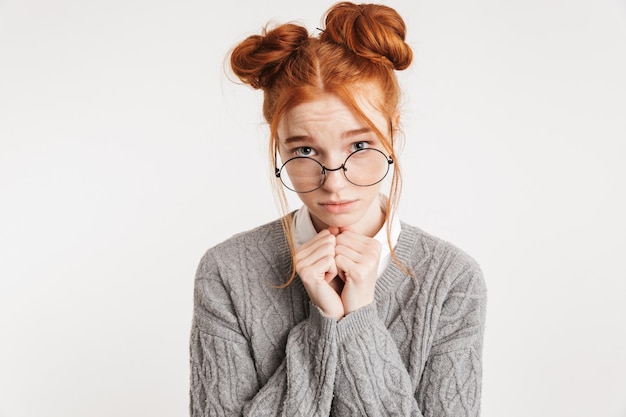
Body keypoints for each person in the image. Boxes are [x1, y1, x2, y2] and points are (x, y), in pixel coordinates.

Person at [189, 2, 487, 416]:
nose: (334, 182)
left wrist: (359, 317)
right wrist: (322, 326)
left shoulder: (451, 279)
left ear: (392, 134)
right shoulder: (227, 271)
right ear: (278, 147)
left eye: (360, 146)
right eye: (306, 150)